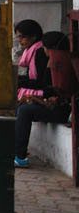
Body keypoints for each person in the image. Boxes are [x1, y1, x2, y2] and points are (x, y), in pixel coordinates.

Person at [14, 24, 73, 168]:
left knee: (24, 111)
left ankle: (19, 155)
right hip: (58, 104)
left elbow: (50, 87)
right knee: (21, 109)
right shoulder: (56, 61)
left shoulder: (59, 63)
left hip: (64, 110)